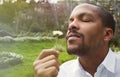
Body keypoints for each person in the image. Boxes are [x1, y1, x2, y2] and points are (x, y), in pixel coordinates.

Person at [33, 3, 120, 77]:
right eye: (71, 21)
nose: (71, 25)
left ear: (107, 34)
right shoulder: (61, 73)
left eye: (85, 20)